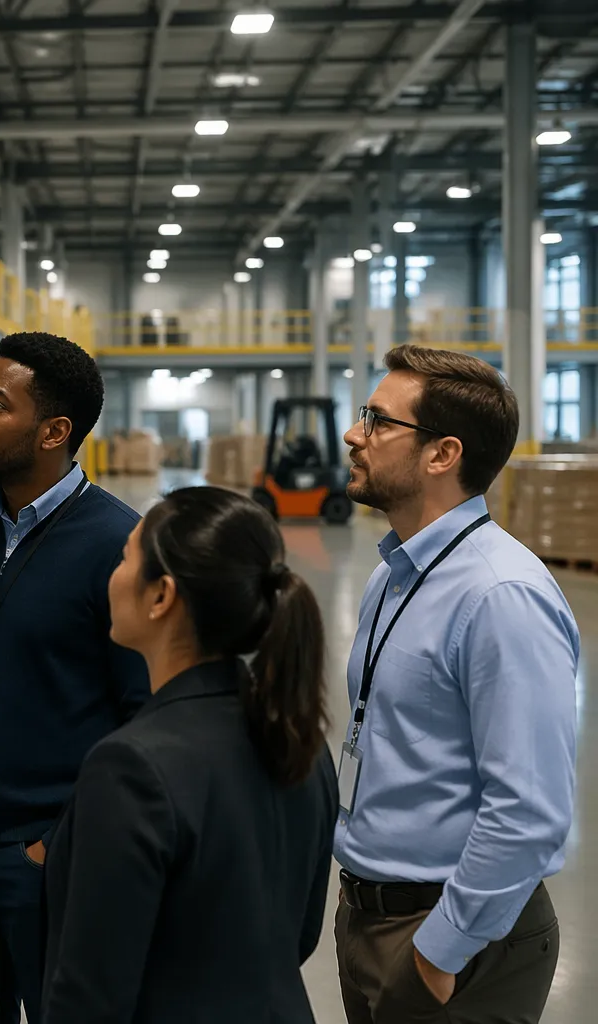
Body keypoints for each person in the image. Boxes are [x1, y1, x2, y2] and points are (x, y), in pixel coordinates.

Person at [0, 332, 150, 1023]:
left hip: (48, 864)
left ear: (54, 432)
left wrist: (59, 842)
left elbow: (142, 721)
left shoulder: (120, 547)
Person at [334, 345, 578, 1023]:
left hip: (456, 938)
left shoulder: (501, 595)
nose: (355, 435)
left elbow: (530, 811)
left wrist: (439, 953)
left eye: (378, 421)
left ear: (443, 454)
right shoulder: (393, 575)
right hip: (372, 914)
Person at [40, 486, 339, 1023]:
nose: (114, 574)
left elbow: (91, 995)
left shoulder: (131, 768)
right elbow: (298, 936)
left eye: (125, 558)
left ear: (161, 596)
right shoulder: (302, 742)